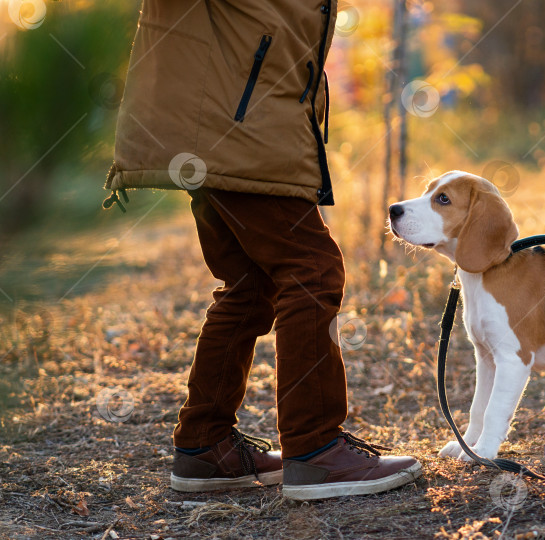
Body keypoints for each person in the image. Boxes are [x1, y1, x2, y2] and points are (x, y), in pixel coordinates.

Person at [104, 0, 421, 500]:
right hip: (234, 129)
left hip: (236, 128)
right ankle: (315, 452)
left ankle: (204, 445)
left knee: (252, 284)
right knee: (311, 269)